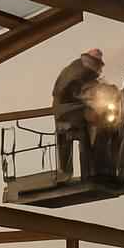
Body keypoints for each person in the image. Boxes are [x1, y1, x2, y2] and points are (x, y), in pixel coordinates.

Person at [51, 48, 104, 179]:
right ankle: (88, 172)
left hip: (64, 110)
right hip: (67, 111)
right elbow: (72, 91)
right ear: (92, 62)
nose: (99, 69)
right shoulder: (78, 73)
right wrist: (88, 98)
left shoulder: (77, 69)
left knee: (93, 119)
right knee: (88, 127)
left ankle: (66, 172)